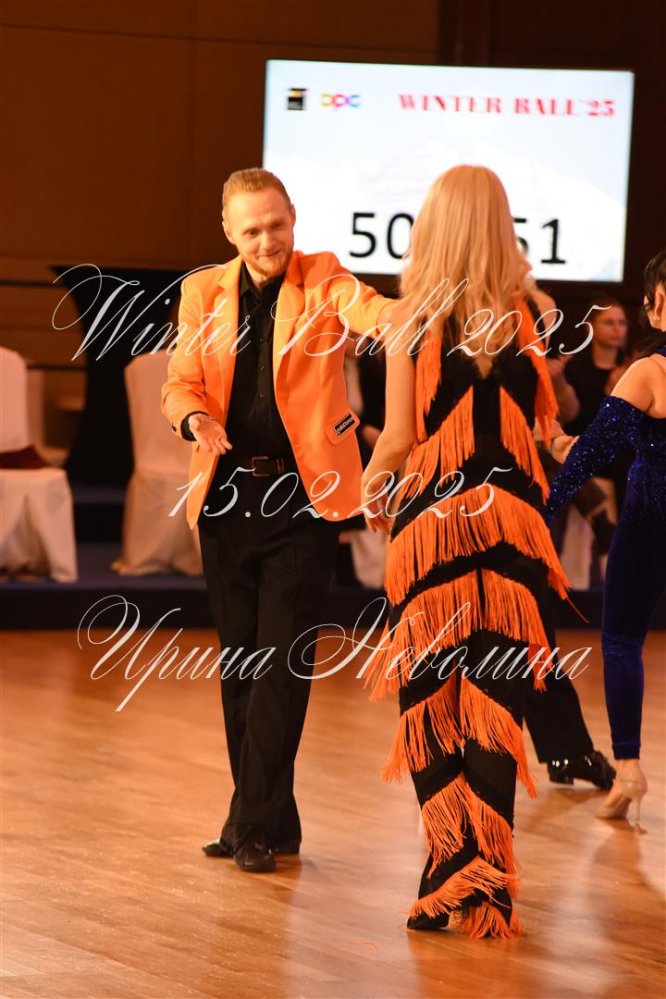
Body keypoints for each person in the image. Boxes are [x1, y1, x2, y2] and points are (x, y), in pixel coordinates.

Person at [360, 165, 570, 939]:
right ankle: (489, 883)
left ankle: (451, 859)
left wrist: (370, 490)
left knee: (430, 701)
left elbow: (398, 438)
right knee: (494, 703)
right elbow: (543, 424)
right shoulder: (528, 315)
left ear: (431, 226)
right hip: (513, 530)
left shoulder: (411, 318)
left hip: (434, 531)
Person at [162, 168, 391, 873]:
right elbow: (180, 382)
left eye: (276, 225)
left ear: (293, 216)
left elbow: (372, 312)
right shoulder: (203, 292)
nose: (267, 240)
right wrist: (195, 418)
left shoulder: (323, 277)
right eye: (252, 229)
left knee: (282, 667)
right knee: (241, 664)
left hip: (303, 498)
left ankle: (249, 821)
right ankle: (273, 817)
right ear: (228, 231)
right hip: (227, 496)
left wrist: (423, 309)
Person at [546, 249, 666, 823]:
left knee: (621, 640)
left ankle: (629, 768)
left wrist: (544, 503)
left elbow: (590, 453)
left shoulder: (650, 371)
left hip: (651, 517)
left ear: (655, 305)